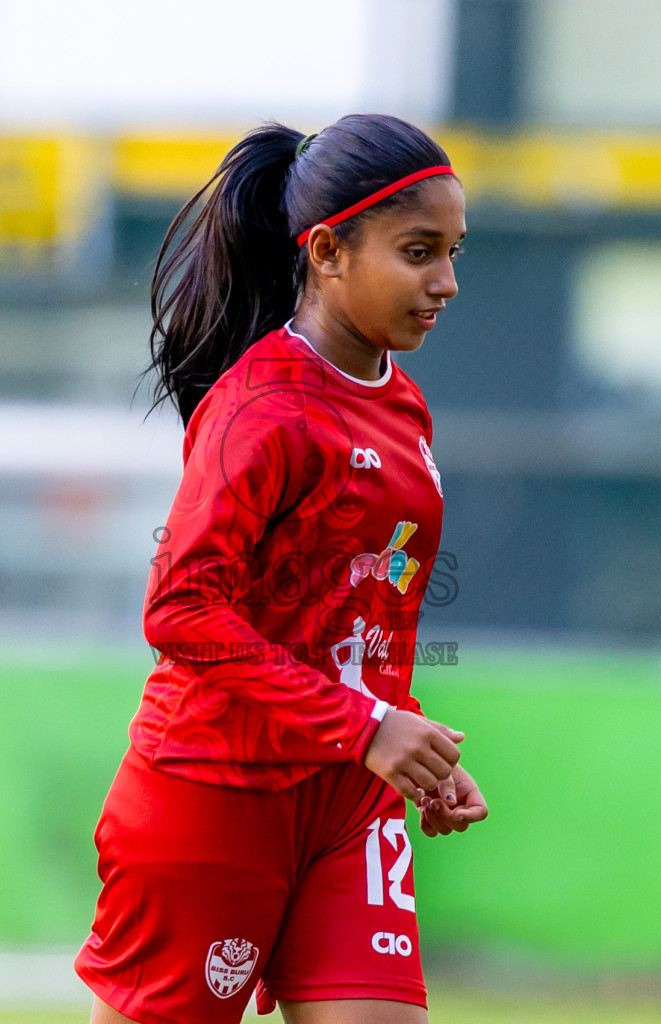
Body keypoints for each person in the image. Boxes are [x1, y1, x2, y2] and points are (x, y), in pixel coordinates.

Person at [75, 113, 488, 1024]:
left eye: (454, 251)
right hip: (218, 790)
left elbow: (360, 612)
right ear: (329, 250)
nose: (447, 282)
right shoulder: (261, 409)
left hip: (349, 797)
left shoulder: (404, 408)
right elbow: (181, 609)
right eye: (420, 251)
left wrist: (402, 734)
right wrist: (365, 724)